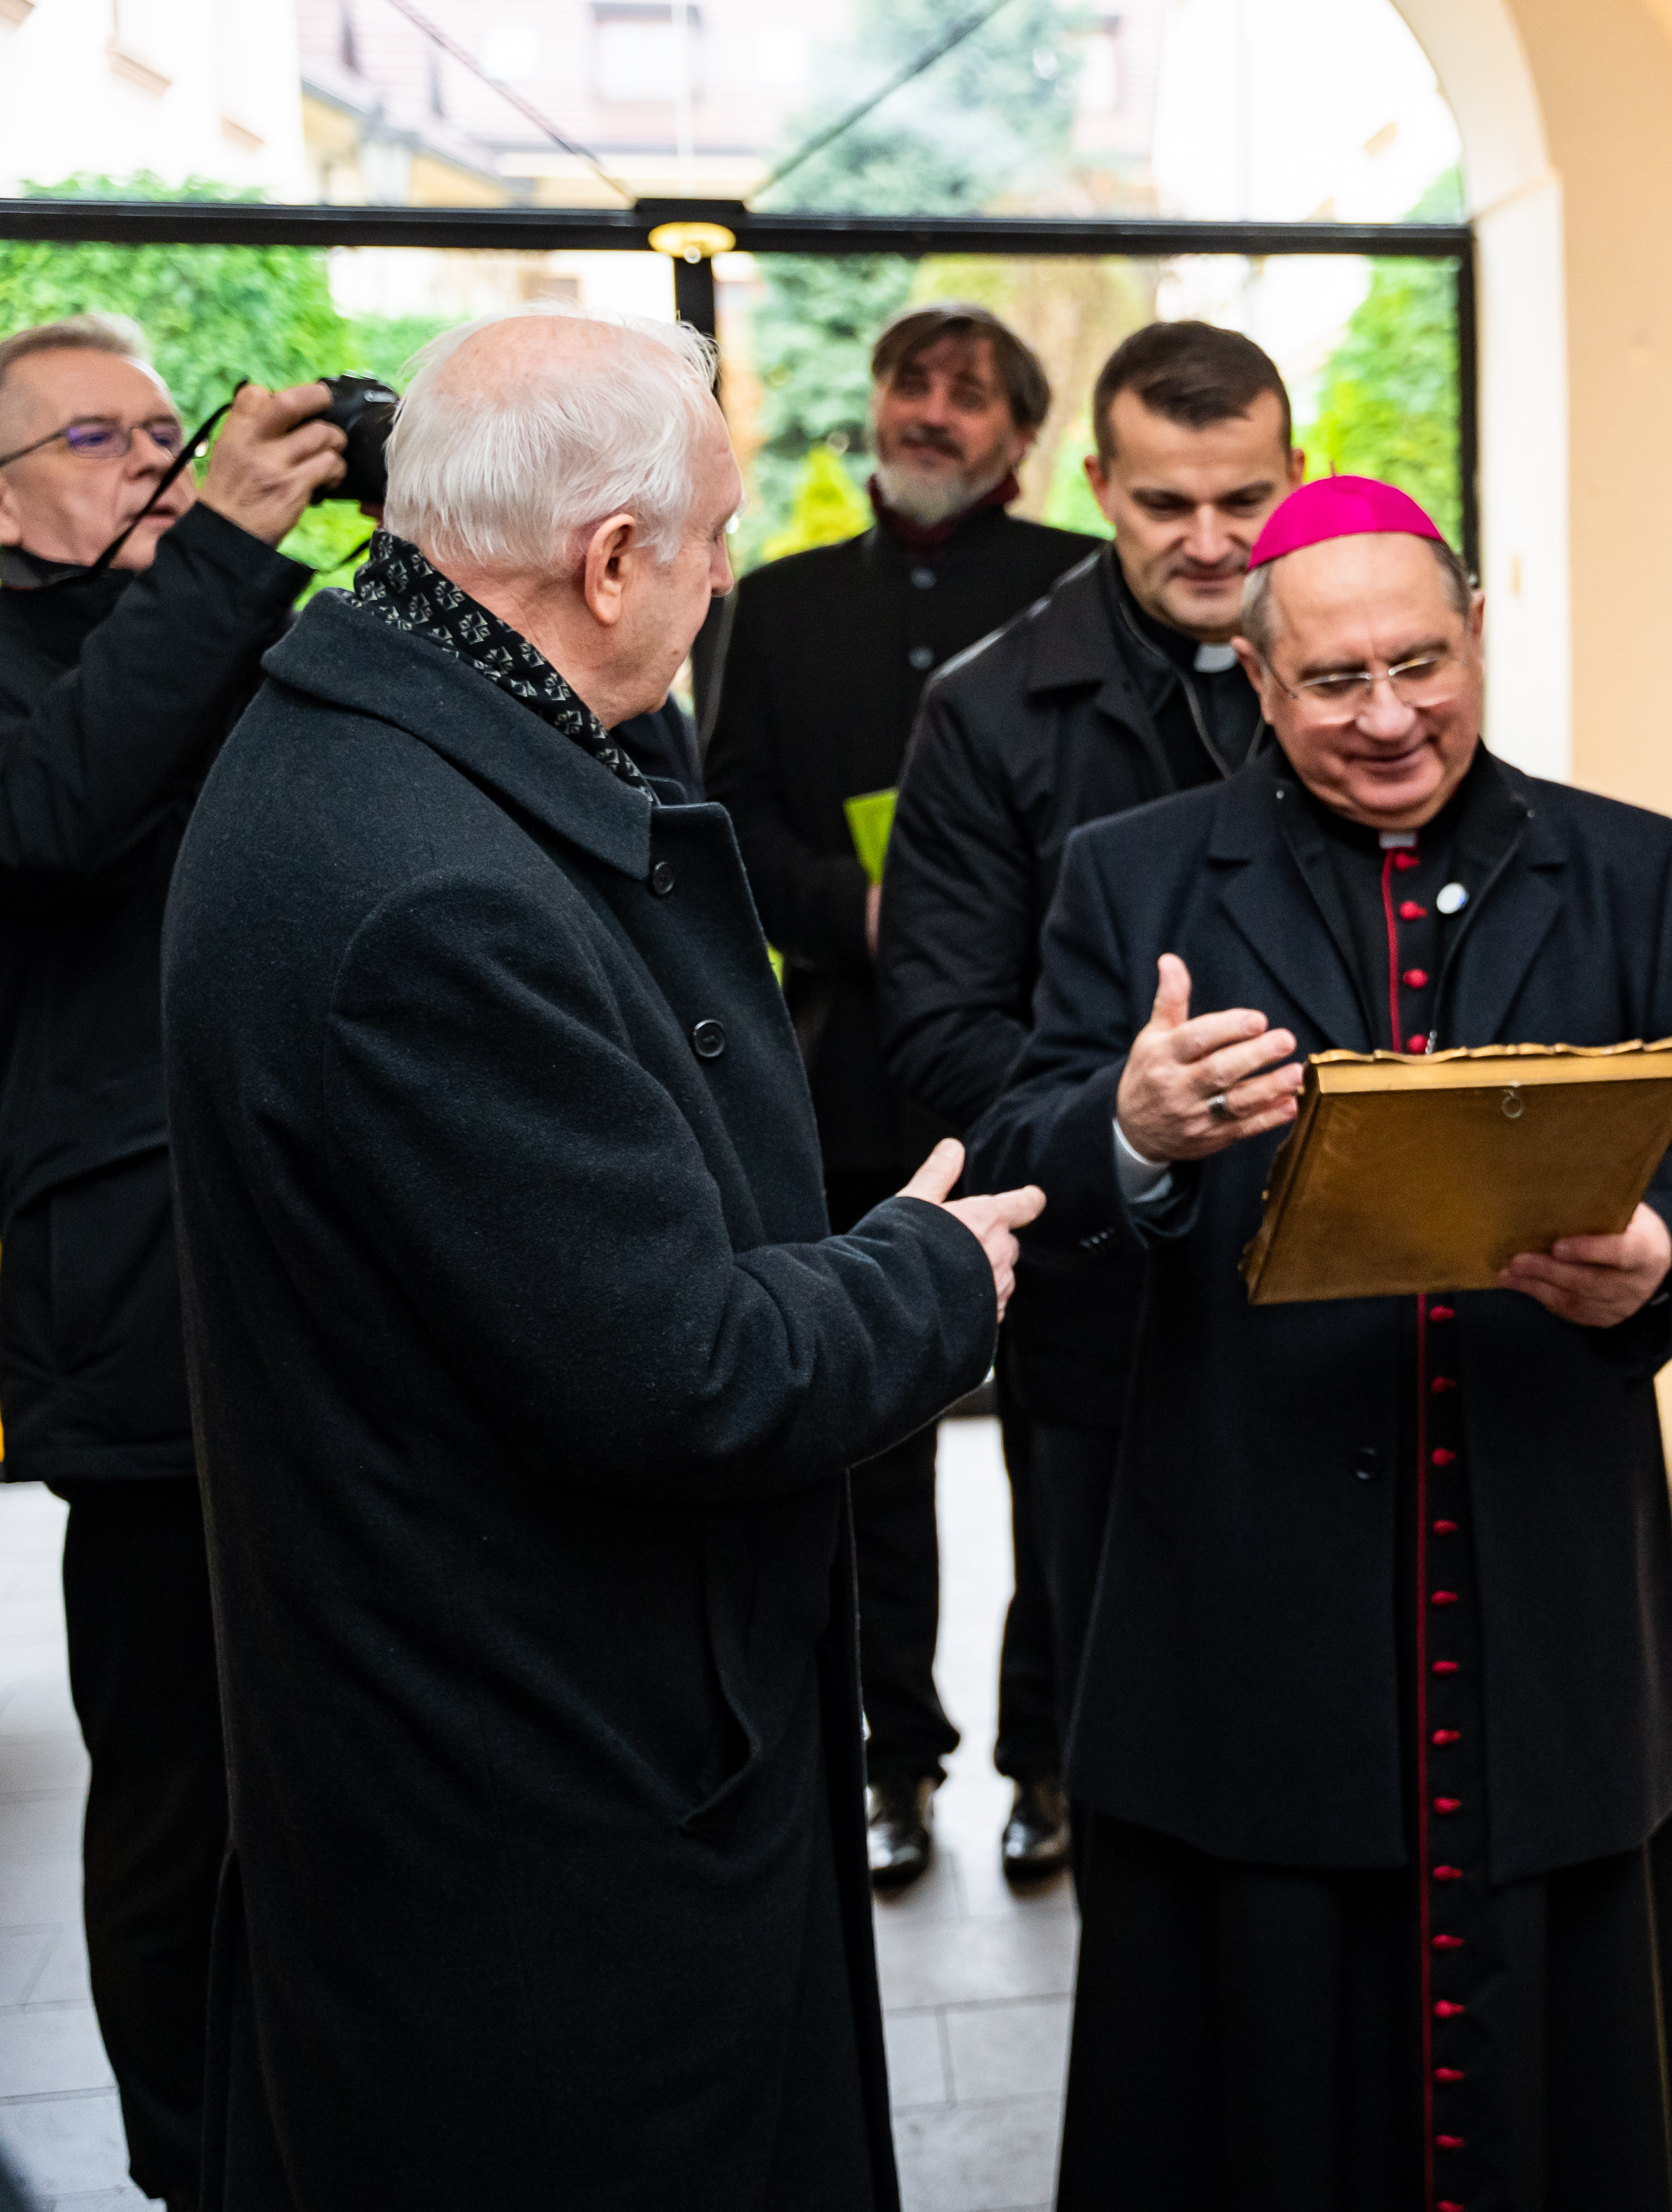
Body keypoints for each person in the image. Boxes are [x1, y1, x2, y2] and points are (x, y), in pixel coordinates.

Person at [158, 302, 1041, 2208]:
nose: (726, 580)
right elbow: (685, 1370)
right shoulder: (428, 889)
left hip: (477, 1743)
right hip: (539, 1799)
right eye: (713, 538)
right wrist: (928, 1269)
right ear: (613, 557)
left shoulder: (372, 727)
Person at [970, 475, 1672, 2210]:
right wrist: (1132, 1128)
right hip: (1253, 1570)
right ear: (1259, 688)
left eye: (1422, 663)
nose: (1392, 715)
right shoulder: (1136, 880)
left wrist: (1660, 1251)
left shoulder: (1624, 863)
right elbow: (1034, 1145)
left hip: (1543, 1542)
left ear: (1477, 632)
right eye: (1335, 685)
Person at [0, 314, 346, 2211]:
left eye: (165, 426)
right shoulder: (81, 637)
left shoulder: (230, 624)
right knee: (174, 1795)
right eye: (92, 438)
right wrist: (217, 547)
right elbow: (54, 816)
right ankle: (195, 2166)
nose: (150, 457)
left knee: (341, 1759)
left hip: (320, 1264)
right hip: (133, 1304)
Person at [879, 319, 1301, 1818]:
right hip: (1103, 1293)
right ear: (1099, 484)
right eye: (1163, 503)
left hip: (1335, 1280)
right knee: (1136, 1725)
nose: (1208, 541)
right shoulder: (989, 711)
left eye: (1242, 501)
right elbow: (933, 1023)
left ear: (1296, 476)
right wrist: (1130, 1119)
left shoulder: (1347, 678)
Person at [705, 302, 1096, 1888]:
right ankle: (895, 1760)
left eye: (966, 394)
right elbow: (722, 812)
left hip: (1040, 1073)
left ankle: (1050, 1762)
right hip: (847, 1083)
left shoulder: (1084, 592)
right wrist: (866, 915)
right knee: (872, 1451)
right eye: (907, 384)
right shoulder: (783, 606)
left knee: (1057, 1446)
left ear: (1021, 433)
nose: (928, 413)